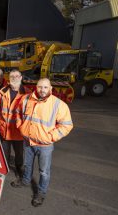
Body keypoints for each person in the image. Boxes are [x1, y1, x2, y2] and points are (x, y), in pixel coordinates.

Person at [12, 78, 73, 207]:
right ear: (36, 87)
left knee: (44, 171)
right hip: (28, 141)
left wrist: (50, 137)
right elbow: (17, 112)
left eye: (45, 87)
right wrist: (20, 126)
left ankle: (41, 193)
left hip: (45, 145)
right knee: (28, 165)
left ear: (51, 88)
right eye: (40, 87)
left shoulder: (58, 104)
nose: (42, 90)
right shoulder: (27, 99)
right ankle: (26, 181)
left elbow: (67, 125)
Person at [0, 69, 29, 181]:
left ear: (21, 78)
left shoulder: (27, 93)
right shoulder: (2, 92)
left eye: (17, 76)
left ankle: (19, 169)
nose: (14, 78)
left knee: (19, 154)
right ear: (9, 79)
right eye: (12, 76)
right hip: (5, 130)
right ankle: (4, 169)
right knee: (4, 152)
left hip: (18, 131)